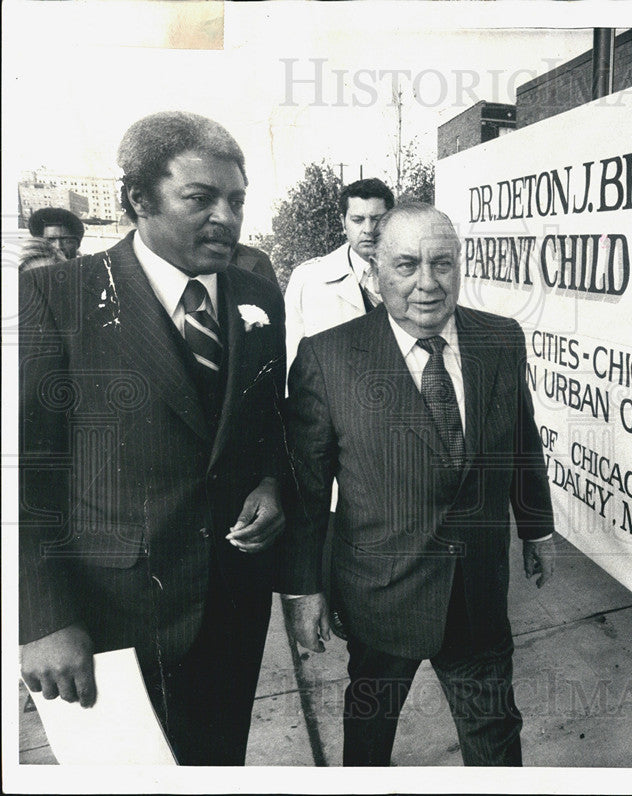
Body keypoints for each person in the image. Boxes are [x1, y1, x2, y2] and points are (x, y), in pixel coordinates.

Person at [19, 111, 288, 766]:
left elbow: (270, 419)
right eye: (201, 198)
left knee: (217, 763)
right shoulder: (57, 296)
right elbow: (23, 467)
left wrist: (273, 482)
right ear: (139, 199)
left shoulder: (259, 295)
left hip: (232, 606)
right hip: (113, 618)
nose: (226, 217)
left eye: (236, 200)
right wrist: (41, 618)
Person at [278, 202, 557, 766]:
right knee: (369, 736)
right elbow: (307, 490)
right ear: (375, 269)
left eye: (443, 264)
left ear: (460, 266)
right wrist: (302, 588)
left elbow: (521, 439)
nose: (427, 284)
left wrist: (537, 529)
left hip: (477, 595)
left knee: (497, 740)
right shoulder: (328, 358)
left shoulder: (500, 339)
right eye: (406, 265)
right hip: (381, 596)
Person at [283, 177, 394, 369]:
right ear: (343, 224)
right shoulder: (308, 280)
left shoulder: (415, 276)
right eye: (358, 220)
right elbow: (291, 360)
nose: (368, 229)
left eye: (377, 219)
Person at [20, 207, 85, 271]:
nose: (58, 247)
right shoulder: (29, 271)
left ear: (77, 245)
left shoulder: (87, 270)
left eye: (67, 241)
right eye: (50, 240)